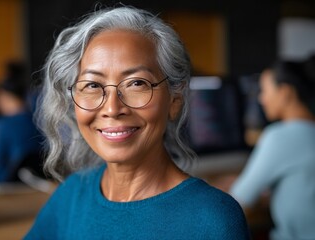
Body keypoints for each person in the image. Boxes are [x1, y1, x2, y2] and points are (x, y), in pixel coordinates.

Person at [25, 6, 249, 239]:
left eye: (136, 84)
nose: (112, 109)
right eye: (92, 85)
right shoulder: (70, 196)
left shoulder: (212, 219)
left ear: (174, 100)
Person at [230, 55, 315, 240]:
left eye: (265, 91)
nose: (261, 99)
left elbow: (237, 201)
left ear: (285, 93)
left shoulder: (279, 136)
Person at [0, 61, 45, 182]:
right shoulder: (38, 120)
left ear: (3, 96)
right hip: (36, 181)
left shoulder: (2, 125)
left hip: (8, 183)